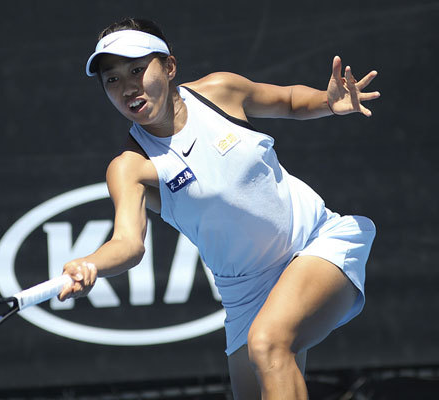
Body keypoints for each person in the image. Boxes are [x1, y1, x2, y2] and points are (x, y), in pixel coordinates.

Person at [58, 17, 379, 400]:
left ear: (170, 67)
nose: (127, 87)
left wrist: (328, 102)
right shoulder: (130, 167)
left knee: (269, 344)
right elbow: (128, 244)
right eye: (112, 79)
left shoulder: (220, 91)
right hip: (245, 291)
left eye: (138, 70)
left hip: (314, 242)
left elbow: (291, 102)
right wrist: (91, 263)